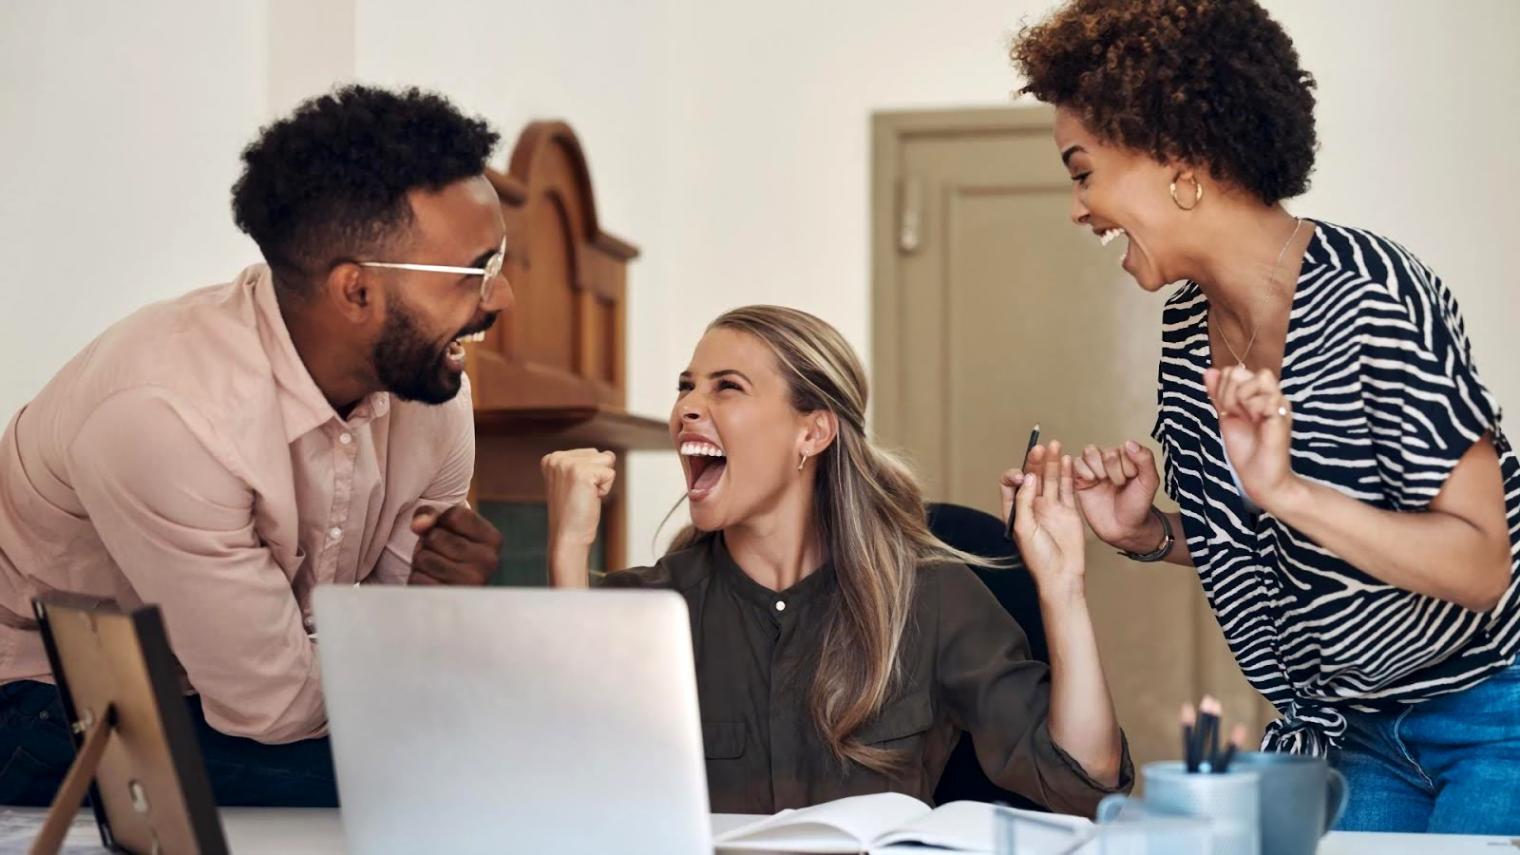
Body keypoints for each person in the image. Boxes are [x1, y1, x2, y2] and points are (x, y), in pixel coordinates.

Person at [1010, 0, 1520, 833]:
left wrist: (1287, 489)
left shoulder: (1375, 295)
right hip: (1349, 730)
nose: (1078, 207)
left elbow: (1480, 564)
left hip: (1492, 714)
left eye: (1082, 169)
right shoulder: (1186, 327)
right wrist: (1150, 535)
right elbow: (1278, 545)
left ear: (1178, 158)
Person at [0, 85, 511, 807]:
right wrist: (407, 658)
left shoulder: (432, 391)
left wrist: (437, 600)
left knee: (489, 754)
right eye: (475, 272)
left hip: (222, 698)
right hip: (42, 698)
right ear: (355, 292)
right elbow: (273, 707)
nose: (503, 297)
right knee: (452, 784)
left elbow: (397, 650)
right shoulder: (166, 414)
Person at [542, 305, 1131, 815]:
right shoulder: (647, 611)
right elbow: (566, 786)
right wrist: (567, 551)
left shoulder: (930, 598)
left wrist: (1063, 586)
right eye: (685, 386)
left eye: (726, 387)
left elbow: (1084, 778)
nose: (687, 409)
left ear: (814, 432)